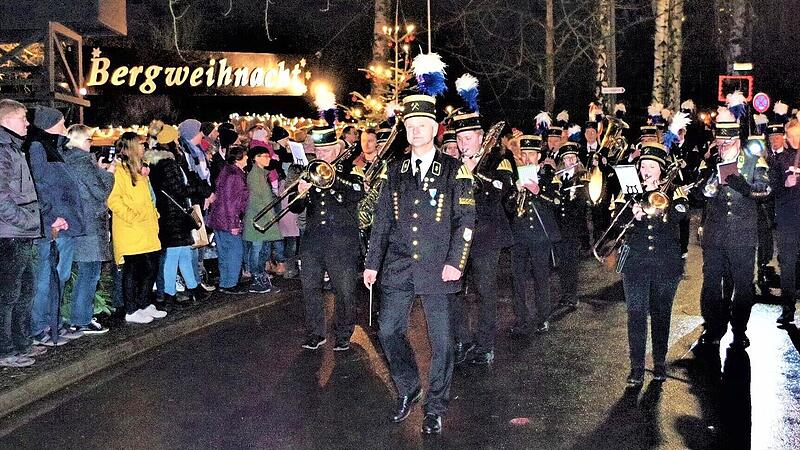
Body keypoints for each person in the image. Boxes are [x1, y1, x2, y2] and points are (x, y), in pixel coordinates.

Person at [364, 93, 476, 434]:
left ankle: (435, 405)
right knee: (387, 331)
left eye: (421, 126)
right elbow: (382, 221)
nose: (415, 131)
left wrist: (456, 261)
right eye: (410, 126)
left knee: (442, 342)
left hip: (439, 266)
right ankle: (409, 385)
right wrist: (372, 263)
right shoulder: (394, 171)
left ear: (434, 129)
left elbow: (466, 220)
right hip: (398, 266)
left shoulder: (455, 170)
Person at [696, 111, 770, 349]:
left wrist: (745, 187)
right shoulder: (709, 161)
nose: (723, 146)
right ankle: (713, 326)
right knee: (710, 284)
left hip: (743, 234)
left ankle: (739, 328)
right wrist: (709, 187)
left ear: (737, 140)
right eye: (720, 142)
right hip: (715, 234)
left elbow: (765, 190)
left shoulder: (753, 160)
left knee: (743, 286)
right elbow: (696, 193)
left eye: (728, 142)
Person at [614, 143, 686, 385]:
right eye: (643, 165)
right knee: (635, 314)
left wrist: (660, 209)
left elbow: (681, 212)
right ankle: (636, 367)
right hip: (636, 262)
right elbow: (615, 218)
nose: (646, 170)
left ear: (661, 170)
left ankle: (659, 363)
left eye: (652, 167)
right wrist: (630, 213)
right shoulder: (629, 191)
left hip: (665, 263)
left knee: (661, 314)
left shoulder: (674, 190)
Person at [289, 124, 364, 351]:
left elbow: (357, 192)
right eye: (317, 150)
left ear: (336, 150)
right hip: (313, 241)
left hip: (341, 242)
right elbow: (295, 207)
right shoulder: (308, 173)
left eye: (324, 151)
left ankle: (343, 332)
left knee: (344, 290)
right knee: (309, 288)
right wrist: (300, 192)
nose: (319, 155)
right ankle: (315, 333)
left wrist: (332, 181)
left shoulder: (351, 171)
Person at [451, 110, 514, 365]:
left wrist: (477, 175)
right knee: (453, 290)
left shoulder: (499, 159)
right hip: (459, 237)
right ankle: (462, 339)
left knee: (485, 291)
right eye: (460, 138)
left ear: (481, 138)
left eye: (468, 137)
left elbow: (504, 188)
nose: (463, 143)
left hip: (487, 235)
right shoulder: (452, 164)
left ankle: (485, 345)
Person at [26, 106, 86, 345]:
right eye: (61, 121)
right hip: (55, 226)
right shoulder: (39, 148)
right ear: (51, 123)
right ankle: (40, 328)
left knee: (56, 278)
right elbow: (40, 185)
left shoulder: (52, 147)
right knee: (46, 278)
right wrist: (51, 216)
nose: (65, 124)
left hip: (64, 224)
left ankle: (53, 323)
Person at [146, 125, 211, 305]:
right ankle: (169, 293)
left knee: (182, 252)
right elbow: (178, 189)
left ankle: (192, 288)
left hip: (172, 213)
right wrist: (198, 188)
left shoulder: (159, 160)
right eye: (175, 139)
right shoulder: (167, 162)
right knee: (174, 254)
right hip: (173, 214)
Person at [0, 99, 43, 367]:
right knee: (8, 294)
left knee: (25, 289)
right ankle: (5, 350)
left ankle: (22, 342)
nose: (27, 123)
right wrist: (25, 220)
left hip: (20, 232)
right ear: (5, 120)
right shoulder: (4, 151)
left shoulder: (14, 148)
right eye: (22, 118)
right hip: (11, 234)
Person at [107, 132, 165, 324]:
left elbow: (148, 197)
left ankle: (144, 303)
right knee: (133, 270)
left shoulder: (140, 170)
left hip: (147, 227)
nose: (143, 147)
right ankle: (131, 309)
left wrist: (153, 214)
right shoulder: (119, 170)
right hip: (131, 229)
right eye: (140, 144)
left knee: (151, 267)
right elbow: (113, 199)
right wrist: (132, 216)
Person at [62, 124, 114, 335]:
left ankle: (80, 317)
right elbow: (101, 192)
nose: (91, 144)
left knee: (87, 272)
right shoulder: (82, 163)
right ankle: (81, 319)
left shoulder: (70, 161)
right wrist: (109, 173)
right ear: (82, 141)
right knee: (90, 273)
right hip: (90, 225)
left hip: (81, 223)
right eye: (89, 140)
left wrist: (99, 170)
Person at [510, 134, 561, 336]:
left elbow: (557, 202)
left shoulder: (549, 174)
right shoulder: (516, 175)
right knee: (518, 279)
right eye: (524, 154)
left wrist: (538, 191)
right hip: (519, 235)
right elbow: (506, 206)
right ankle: (521, 318)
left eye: (532, 154)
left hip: (540, 236)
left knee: (541, 277)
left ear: (539, 155)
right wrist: (515, 193)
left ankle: (543, 318)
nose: (528, 157)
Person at [207, 145, 250, 294]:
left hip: (219, 219)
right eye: (245, 156)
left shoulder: (227, 171)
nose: (247, 159)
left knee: (224, 252)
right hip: (227, 220)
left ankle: (225, 282)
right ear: (239, 159)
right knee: (234, 252)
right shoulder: (235, 176)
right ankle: (231, 283)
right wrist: (234, 223)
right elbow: (231, 202)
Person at [770, 119, 800, 325]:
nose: (793, 140)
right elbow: (771, 188)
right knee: (787, 264)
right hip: (787, 219)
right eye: (790, 136)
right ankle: (788, 307)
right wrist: (784, 183)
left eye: (797, 135)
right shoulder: (780, 159)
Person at [553, 141, 589, 308]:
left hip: (573, 227)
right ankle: (564, 293)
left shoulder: (582, 177)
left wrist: (571, 191)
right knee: (562, 262)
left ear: (576, 159)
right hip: (560, 227)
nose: (569, 162)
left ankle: (572, 295)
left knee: (571, 263)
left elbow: (582, 203)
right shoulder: (558, 177)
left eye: (572, 158)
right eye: (566, 159)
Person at [243, 145, 283, 294]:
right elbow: (258, 201)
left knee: (262, 250)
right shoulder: (255, 176)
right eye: (264, 156)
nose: (268, 159)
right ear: (256, 158)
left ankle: (260, 276)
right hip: (259, 220)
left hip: (262, 220)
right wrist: (270, 217)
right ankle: (257, 278)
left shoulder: (261, 174)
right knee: (257, 250)